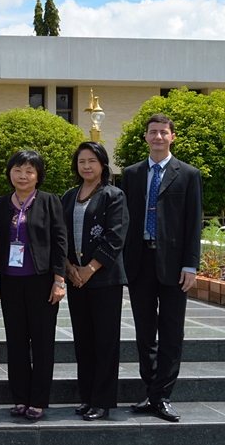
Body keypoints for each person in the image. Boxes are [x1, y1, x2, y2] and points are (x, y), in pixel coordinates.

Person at [122, 114, 203, 422]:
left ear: (172, 137)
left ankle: (163, 395)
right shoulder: (131, 174)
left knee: (171, 332)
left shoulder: (188, 174)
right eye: (152, 132)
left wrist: (190, 265)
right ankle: (151, 391)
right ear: (145, 137)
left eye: (163, 132)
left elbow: (194, 222)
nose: (157, 137)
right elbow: (125, 221)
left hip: (173, 264)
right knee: (144, 332)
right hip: (139, 261)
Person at [0, 150, 67, 420]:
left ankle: (38, 399)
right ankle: (20, 397)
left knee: (43, 341)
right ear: (10, 172)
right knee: (17, 341)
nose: (23, 175)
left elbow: (60, 241)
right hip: (11, 281)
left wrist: (59, 280)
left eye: (29, 171)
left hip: (42, 281)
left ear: (38, 175)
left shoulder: (49, 202)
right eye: (18, 169)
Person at [61, 142, 129, 421]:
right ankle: (87, 397)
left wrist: (89, 268)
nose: (86, 166)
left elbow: (115, 237)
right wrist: (68, 267)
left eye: (92, 161)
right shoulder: (68, 196)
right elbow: (60, 235)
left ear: (102, 164)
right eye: (81, 161)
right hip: (75, 278)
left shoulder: (114, 195)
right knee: (83, 341)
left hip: (104, 280)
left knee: (105, 341)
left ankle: (102, 401)